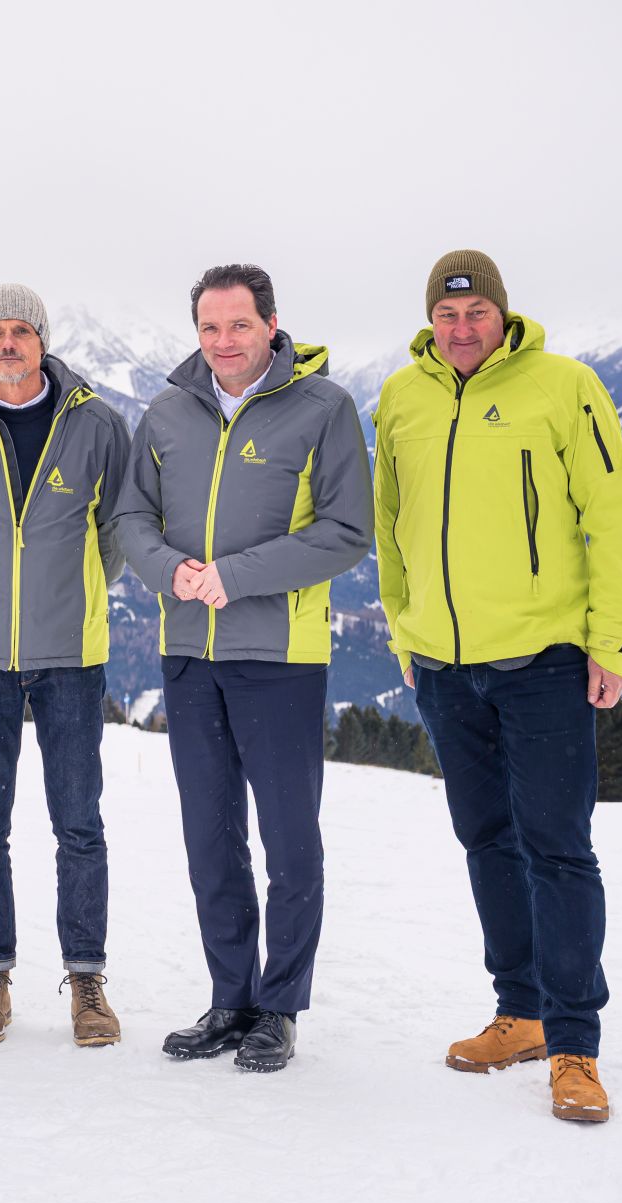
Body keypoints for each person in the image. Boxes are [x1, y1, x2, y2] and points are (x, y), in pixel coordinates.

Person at [372, 250, 622, 1123]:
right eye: (447, 315)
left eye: (475, 312)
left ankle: (574, 1046)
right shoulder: (403, 398)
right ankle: (518, 1013)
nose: (461, 328)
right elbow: (390, 523)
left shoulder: (564, 386)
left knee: (558, 848)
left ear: (502, 314)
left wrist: (610, 642)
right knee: (487, 839)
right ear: (430, 321)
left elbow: (611, 513)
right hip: (444, 667)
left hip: (544, 662)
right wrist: (403, 627)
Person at [112, 264, 372, 1073]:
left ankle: (279, 1008)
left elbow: (346, 530)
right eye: (210, 328)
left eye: (239, 325)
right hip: (189, 652)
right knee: (210, 838)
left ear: (271, 324)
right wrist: (170, 572)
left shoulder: (323, 407)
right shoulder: (165, 411)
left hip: (281, 659)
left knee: (291, 841)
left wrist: (237, 574)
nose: (224, 342)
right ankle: (230, 999)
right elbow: (129, 518)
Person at [0, 283, 131, 1047]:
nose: (9, 343)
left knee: (79, 822)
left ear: (43, 341)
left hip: (71, 652)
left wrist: (68, 596)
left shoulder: (98, 424)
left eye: (22, 331)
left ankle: (87, 981)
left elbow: (114, 530)